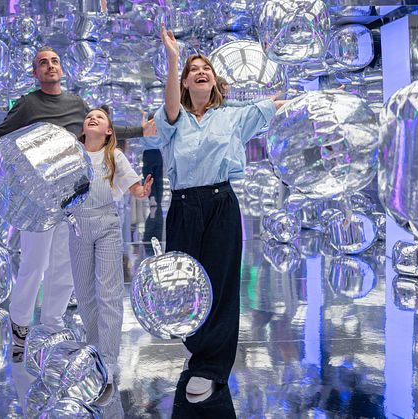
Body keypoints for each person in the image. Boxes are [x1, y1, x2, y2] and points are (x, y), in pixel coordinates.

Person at [0, 47, 156, 359]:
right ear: (36, 74)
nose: (50, 66)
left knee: (64, 267)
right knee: (33, 264)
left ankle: (52, 326)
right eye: (43, 63)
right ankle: (20, 328)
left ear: (61, 68)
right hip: (37, 201)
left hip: (72, 198)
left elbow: (104, 130)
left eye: (54, 61)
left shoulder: (76, 105)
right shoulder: (28, 104)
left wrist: (139, 131)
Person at [143, 25, 286, 403]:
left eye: (205, 68)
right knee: (188, 283)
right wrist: (174, 58)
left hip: (222, 203)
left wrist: (320, 100)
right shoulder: (174, 120)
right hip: (185, 206)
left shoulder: (233, 116)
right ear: (186, 83)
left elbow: (276, 104)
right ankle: (197, 352)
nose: (200, 72)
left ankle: (211, 366)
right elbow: (171, 108)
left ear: (215, 81)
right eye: (193, 71)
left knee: (221, 286)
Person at [70, 107, 153, 405]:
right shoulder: (71, 155)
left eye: (100, 117)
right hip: (77, 224)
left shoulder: (113, 156)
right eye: (89, 116)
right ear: (83, 128)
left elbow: (132, 186)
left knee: (109, 293)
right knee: (84, 292)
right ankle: (94, 351)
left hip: (106, 224)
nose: (93, 118)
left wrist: (141, 191)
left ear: (108, 131)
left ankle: (108, 359)